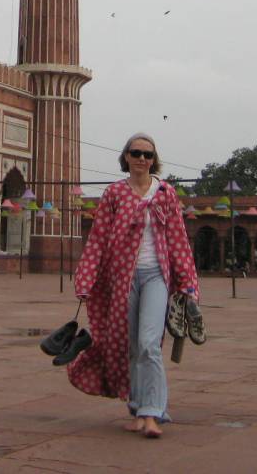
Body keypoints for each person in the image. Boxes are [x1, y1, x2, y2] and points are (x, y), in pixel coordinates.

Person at [69, 132, 199, 440]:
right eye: (136, 153)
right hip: (123, 278)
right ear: (126, 157)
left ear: (155, 161)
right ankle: (138, 406)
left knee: (149, 343)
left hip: (156, 275)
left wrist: (188, 284)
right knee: (130, 345)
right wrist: (85, 279)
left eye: (148, 155)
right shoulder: (114, 194)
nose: (142, 159)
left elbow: (178, 240)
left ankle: (152, 412)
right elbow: (98, 239)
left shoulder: (165, 193)